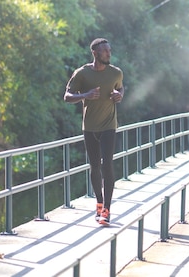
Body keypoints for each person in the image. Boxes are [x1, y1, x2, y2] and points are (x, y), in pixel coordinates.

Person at [63, 38, 124, 225]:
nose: (109, 53)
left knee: (107, 165)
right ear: (95, 53)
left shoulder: (116, 72)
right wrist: (85, 95)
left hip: (109, 125)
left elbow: (121, 88)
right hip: (89, 127)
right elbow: (67, 96)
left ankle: (106, 209)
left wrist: (119, 95)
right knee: (95, 166)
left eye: (109, 50)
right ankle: (98, 202)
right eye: (105, 51)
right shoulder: (82, 74)